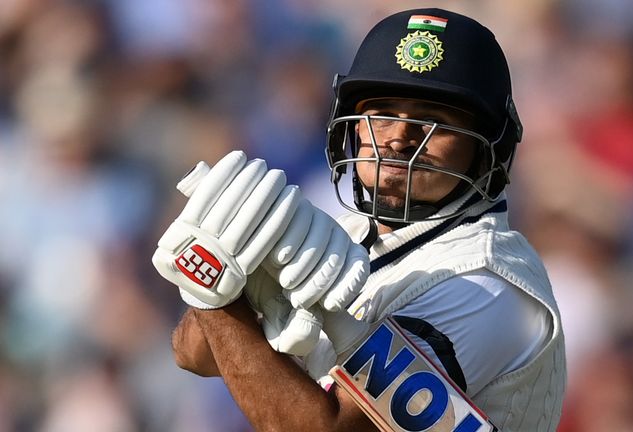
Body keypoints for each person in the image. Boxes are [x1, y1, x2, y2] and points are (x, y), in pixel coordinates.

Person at [154, 8, 566, 431]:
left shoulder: (485, 284)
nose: (398, 137)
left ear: (488, 151)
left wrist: (217, 299)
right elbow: (196, 354)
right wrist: (220, 277)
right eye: (383, 112)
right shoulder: (353, 234)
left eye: (433, 121)